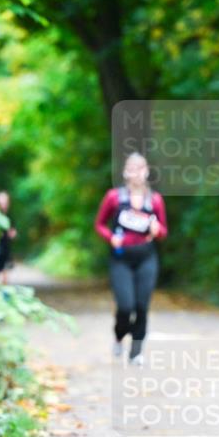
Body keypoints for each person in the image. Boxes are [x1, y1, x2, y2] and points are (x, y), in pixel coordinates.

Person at [94, 152, 169, 366]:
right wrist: (111, 238)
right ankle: (119, 336)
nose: (137, 174)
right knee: (126, 307)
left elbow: (163, 232)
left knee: (142, 306)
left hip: (146, 257)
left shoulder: (154, 200)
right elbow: (99, 224)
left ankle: (136, 353)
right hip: (121, 259)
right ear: (126, 172)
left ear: (146, 172)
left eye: (141, 169)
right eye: (132, 169)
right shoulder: (114, 197)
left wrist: (158, 229)